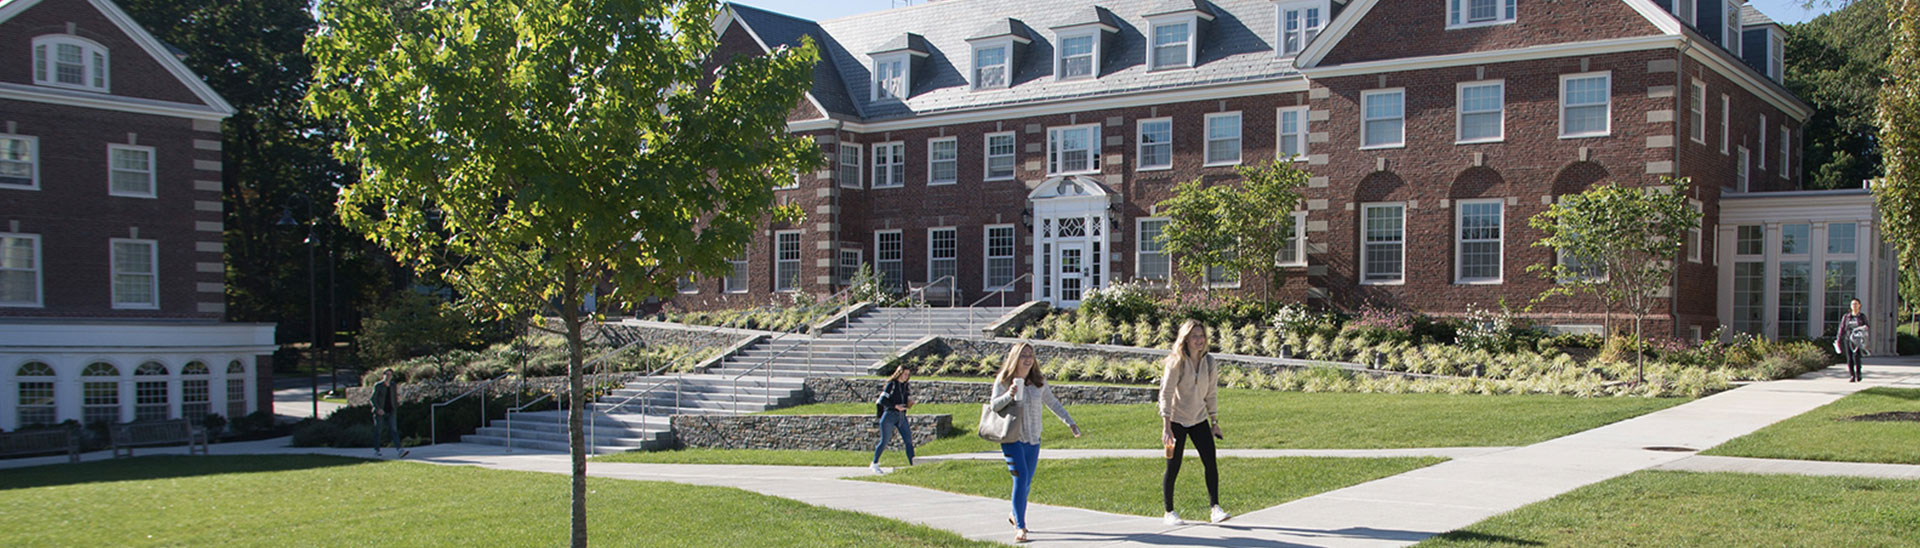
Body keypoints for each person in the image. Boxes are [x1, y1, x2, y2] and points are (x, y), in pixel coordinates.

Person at [990, 343, 1081, 543]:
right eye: (1023, 355)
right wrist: (1010, 394)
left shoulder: (1038, 381)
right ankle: (1021, 527)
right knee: (1020, 479)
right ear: (1015, 357)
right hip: (1012, 438)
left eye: (1030, 355)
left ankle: (1015, 514)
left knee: (1027, 482)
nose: (1028, 359)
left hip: (1033, 439)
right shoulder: (1004, 379)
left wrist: (1070, 423)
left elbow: (1053, 402)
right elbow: (994, 405)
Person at [1159, 320, 1228, 525]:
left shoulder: (1209, 362)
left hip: (1199, 419)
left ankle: (1215, 508)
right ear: (1186, 339)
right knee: (1173, 466)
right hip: (1177, 421)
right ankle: (1169, 512)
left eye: (1202, 336)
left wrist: (1214, 421)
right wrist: (1166, 426)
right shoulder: (1176, 362)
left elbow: (1212, 393)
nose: (1200, 340)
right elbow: (1166, 393)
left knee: (1210, 462)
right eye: (1195, 336)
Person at [870, 366, 916, 473]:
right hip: (889, 415)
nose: (906, 377)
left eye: (908, 375)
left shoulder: (905, 386)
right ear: (899, 373)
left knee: (908, 440)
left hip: (901, 416)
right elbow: (882, 400)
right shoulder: (892, 385)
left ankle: (913, 465)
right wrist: (895, 406)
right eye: (904, 374)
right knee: (884, 441)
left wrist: (909, 403)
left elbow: (904, 399)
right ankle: (875, 463)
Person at [371, 370, 408, 458]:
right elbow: (373, 399)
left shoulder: (393, 385)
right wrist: (378, 409)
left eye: (390, 375)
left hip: (391, 411)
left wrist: (395, 407)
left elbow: (394, 397)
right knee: (378, 430)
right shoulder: (378, 386)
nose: (388, 376)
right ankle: (376, 450)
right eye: (386, 374)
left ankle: (399, 450)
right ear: (383, 375)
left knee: (394, 430)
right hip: (380, 411)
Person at [1837, 298, 1870, 382]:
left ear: (1859, 306)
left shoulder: (1862, 317)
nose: (1854, 306)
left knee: (1856, 357)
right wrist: (1838, 339)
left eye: (1856, 304)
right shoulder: (1846, 317)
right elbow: (1842, 328)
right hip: (1848, 339)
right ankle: (1852, 375)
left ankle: (1858, 374)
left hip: (1857, 340)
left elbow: (1867, 327)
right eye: (1852, 304)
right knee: (1849, 358)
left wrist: (1862, 329)